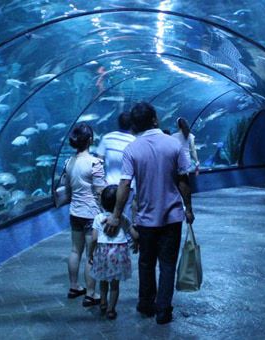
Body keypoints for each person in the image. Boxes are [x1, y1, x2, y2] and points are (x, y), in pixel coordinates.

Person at [104, 102, 195, 325]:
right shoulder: (174, 145)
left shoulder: (133, 149)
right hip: (172, 217)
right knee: (167, 264)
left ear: (135, 124)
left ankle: (146, 304)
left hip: (145, 218)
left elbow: (124, 184)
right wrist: (189, 209)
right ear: (154, 119)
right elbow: (183, 181)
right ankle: (163, 309)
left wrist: (116, 214)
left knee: (146, 263)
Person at [63, 123, 106, 307]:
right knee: (91, 254)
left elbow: (66, 188)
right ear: (90, 140)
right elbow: (100, 191)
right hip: (91, 214)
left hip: (75, 212)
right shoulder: (94, 163)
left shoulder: (68, 162)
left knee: (75, 250)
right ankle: (90, 293)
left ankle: (74, 286)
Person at [88, 185, 139, 320]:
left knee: (103, 280)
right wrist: (137, 244)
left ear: (102, 202)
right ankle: (111, 310)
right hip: (119, 253)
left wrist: (90, 253)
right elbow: (134, 234)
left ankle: (103, 302)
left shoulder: (98, 218)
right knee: (115, 285)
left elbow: (93, 239)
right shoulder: (122, 218)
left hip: (102, 253)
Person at [95, 112, 136, 185]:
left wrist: (99, 183)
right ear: (132, 124)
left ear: (118, 123)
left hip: (108, 185)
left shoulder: (107, 138)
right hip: (128, 187)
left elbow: (98, 162)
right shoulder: (135, 142)